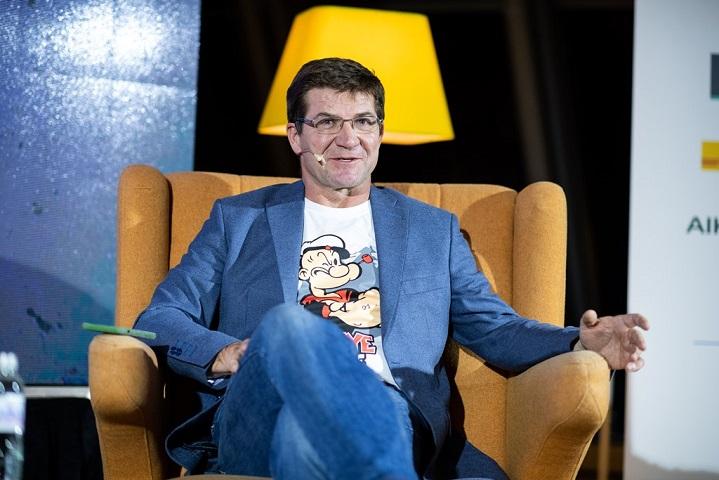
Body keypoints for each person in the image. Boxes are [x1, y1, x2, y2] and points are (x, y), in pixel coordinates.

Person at [134, 57, 649, 480]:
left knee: (309, 438)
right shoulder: (239, 219)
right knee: (289, 327)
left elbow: (495, 328)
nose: (348, 138)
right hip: (258, 410)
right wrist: (225, 353)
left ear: (379, 132)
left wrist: (579, 341)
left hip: (384, 408)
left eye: (363, 122)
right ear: (295, 136)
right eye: (327, 122)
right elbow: (159, 318)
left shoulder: (432, 230)